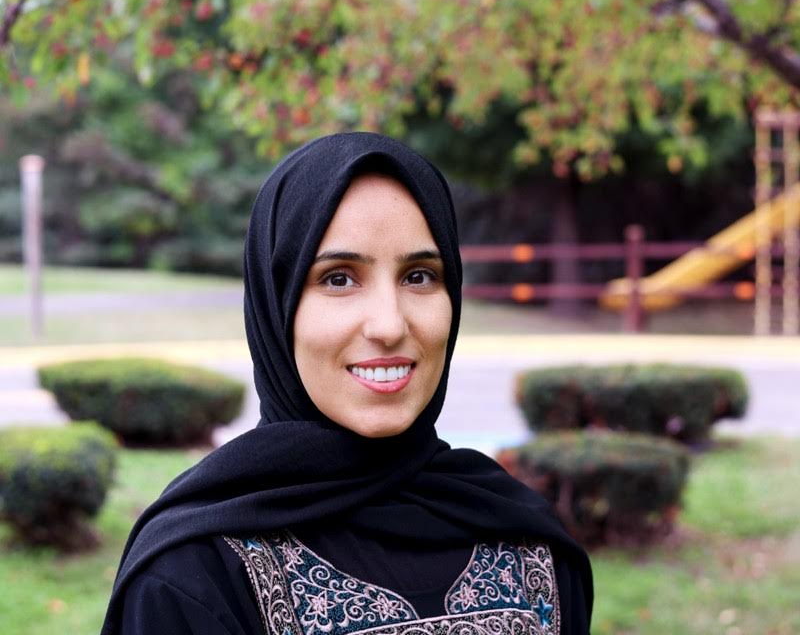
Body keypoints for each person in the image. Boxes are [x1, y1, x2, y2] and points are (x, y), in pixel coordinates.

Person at [101, 132, 592, 635]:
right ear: (278, 309)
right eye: (338, 278)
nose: (389, 325)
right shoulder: (193, 575)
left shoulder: (535, 546)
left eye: (419, 276)